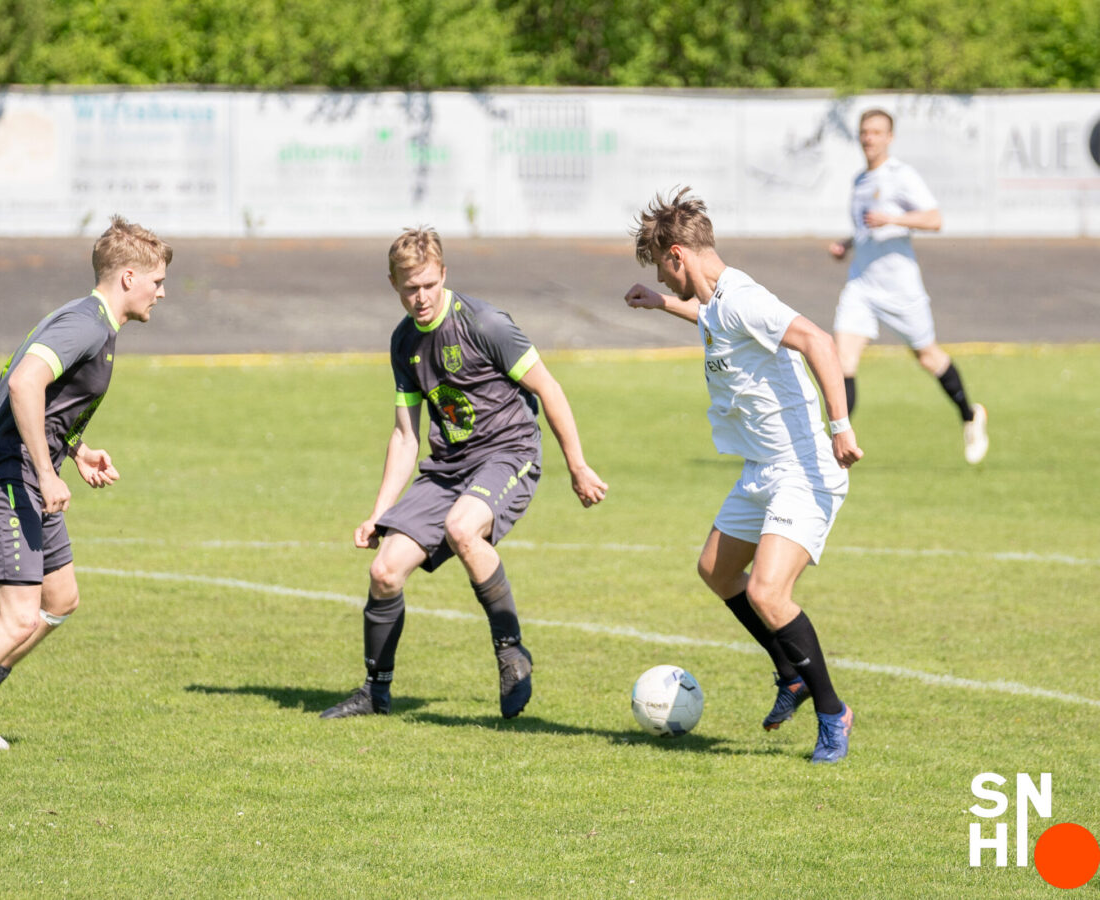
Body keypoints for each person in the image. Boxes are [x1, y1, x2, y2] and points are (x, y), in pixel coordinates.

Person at [0, 217, 171, 764]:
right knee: (18, 616)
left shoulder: (91, 322)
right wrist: (46, 472)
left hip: (25, 472)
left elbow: (46, 399)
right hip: (5, 478)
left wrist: (75, 449)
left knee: (59, 599)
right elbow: (23, 383)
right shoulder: (85, 325)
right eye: (157, 281)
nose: (161, 292)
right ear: (129, 277)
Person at [321, 227, 607, 721]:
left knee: (461, 527)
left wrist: (577, 466)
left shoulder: (485, 323)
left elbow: (549, 389)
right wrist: (380, 513)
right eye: (410, 288)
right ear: (393, 284)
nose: (421, 297)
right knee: (384, 572)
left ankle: (511, 653)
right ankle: (375, 693)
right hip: (449, 467)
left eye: (429, 285)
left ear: (444, 274)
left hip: (509, 451)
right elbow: (406, 436)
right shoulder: (403, 342)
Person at [623, 188, 864, 763]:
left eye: (662, 269)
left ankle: (833, 712)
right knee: (716, 569)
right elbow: (711, 318)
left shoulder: (744, 300)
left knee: (767, 592)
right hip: (763, 468)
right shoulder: (718, 302)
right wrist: (662, 302)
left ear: (678, 255)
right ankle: (792, 673)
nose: (663, 276)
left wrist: (840, 426)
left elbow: (818, 340)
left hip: (804, 470)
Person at [828, 108, 988, 464]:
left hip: (899, 287)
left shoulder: (901, 175)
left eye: (876, 132)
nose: (869, 138)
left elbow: (935, 219)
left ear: (890, 137)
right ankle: (835, 451)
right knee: (843, 362)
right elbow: (866, 228)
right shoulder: (860, 180)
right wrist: (847, 244)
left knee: (928, 357)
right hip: (861, 284)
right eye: (864, 132)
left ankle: (970, 415)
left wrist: (893, 218)